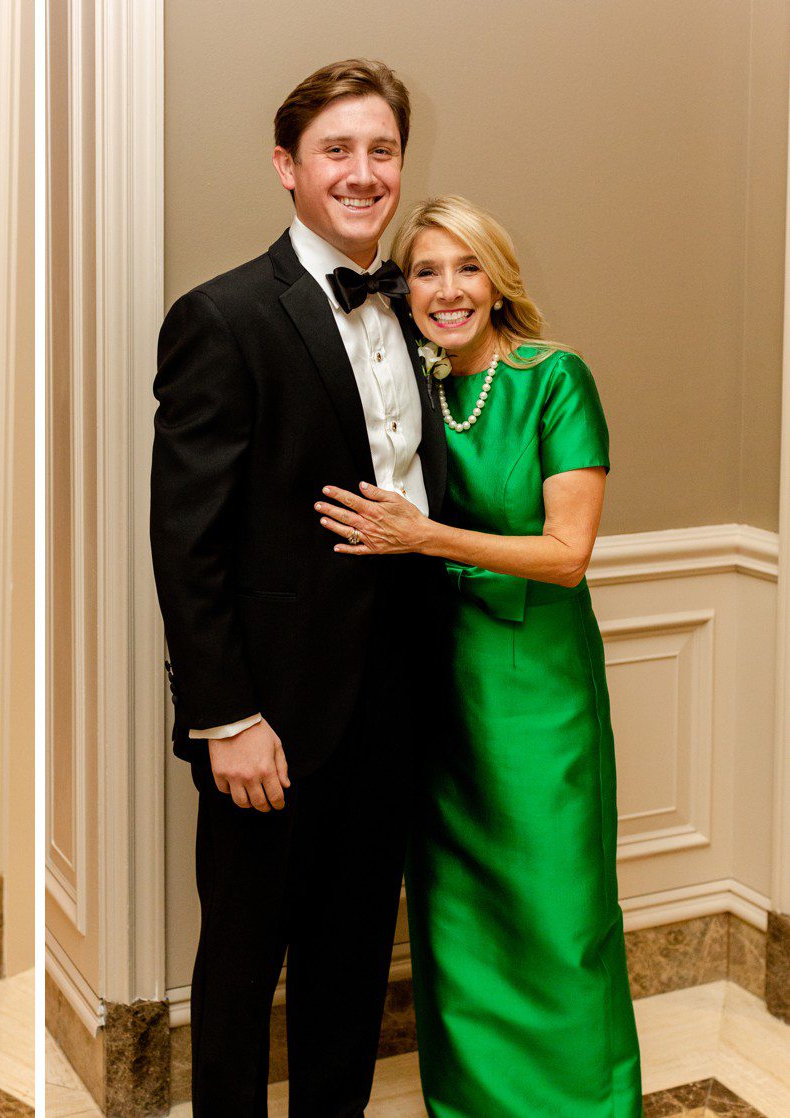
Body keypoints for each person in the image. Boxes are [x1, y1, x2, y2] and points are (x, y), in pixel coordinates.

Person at [150, 59, 448, 1115]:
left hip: (397, 696)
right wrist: (226, 714)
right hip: (269, 713)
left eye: (382, 150)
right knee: (240, 966)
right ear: (287, 166)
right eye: (337, 150)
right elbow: (187, 540)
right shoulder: (223, 316)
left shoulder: (424, 307)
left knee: (356, 958)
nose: (364, 173)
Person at [314, 194, 642, 1116]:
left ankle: (584, 1102)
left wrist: (425, 539)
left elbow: (567, 557)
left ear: (497, 280)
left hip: (537, 689)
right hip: (436, 684)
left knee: (556, 906)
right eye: (424, 271)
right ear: (403, 289)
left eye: (467, 267)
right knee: (457, 915)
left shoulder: (554, 378)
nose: (447, 289)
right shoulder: (410, 384)